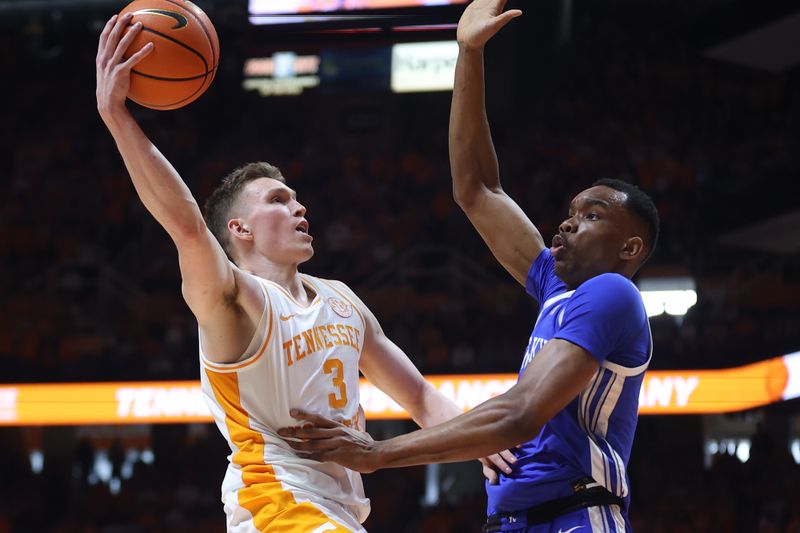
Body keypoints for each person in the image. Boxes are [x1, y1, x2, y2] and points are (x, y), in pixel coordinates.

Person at [94, 12, 513, 533]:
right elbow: (186, 228)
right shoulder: (234, 299)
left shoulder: (341, 299)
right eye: (277, 199)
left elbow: (421, 398)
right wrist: (117, 117)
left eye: (296, 197)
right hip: (276, 505)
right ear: (240, 229)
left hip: (335, 510)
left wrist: (480, 443)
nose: (299, 207)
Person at [278, 0, 659, 531]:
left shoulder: (614, 294)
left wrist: (378, 454)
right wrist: (469, 51)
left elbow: (520, 414)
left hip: (575, 515)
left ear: (630, 249)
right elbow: (476, 188)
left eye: (592, 215)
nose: (568, 224)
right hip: (512, 519)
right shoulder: (556, 286)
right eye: (570, 212)